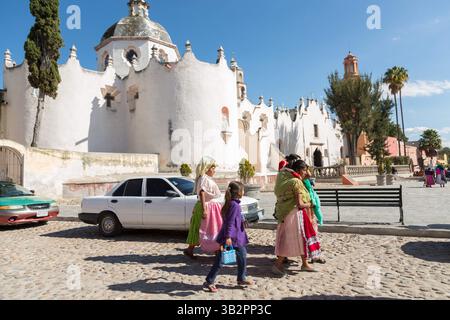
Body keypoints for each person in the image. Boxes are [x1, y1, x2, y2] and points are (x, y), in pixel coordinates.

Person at [272, 159, 321, 276]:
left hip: (288, 213)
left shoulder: (284, 179)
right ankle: (277, 265)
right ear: (299, 170)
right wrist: (311, 204)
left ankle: (305, 263)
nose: (306, 172)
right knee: (292, 239)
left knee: (302, 239)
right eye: (304, 170)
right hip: (294, 215)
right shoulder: (296, 182)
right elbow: (300, 204)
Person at [203, 182, 253, 293]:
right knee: (220, 260)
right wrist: (228, 237)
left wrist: (242, 220)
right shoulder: (234, 205)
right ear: (238, 192)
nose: (244, 192)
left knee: (242, 256)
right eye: (243, 190)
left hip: (237, 238)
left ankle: (241, 278)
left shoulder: (232, 203)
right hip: (229, 238)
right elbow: (229, 222)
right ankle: (209, 281)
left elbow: (234, 218)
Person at [184, 157, 222, 259]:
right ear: (207, 168)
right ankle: (191, 249)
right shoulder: (204, 179)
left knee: (213, 228)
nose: (214, 170)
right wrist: (204, 209)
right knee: (200, 228)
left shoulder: (206, 179)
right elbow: (202, 193)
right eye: (212, 168)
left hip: (210, 206)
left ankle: (216, 249)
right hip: (206, 206)